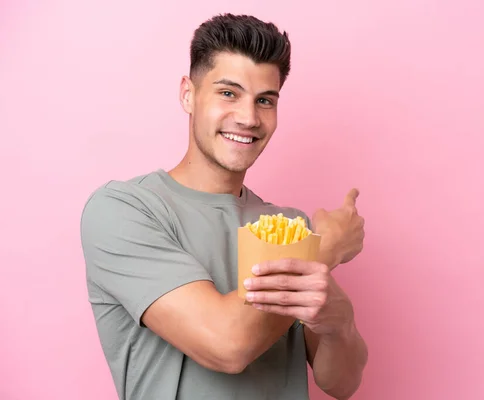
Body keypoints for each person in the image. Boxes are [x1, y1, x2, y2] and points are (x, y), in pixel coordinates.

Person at [80, 13, 368, 400]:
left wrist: (340, 322)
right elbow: (226, 345)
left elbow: (341, 383)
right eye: (228, 93)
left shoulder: (289, 226)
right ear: (188, 94)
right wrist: (326, 248)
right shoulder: (123, 210)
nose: (249, 118)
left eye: (265, 100)